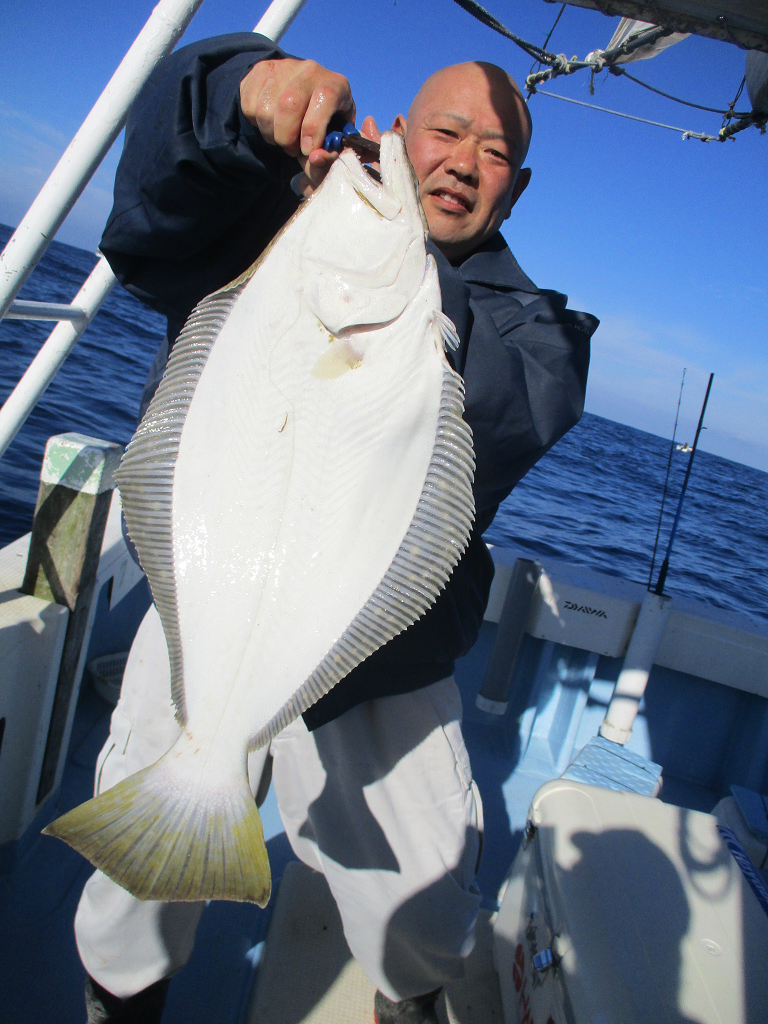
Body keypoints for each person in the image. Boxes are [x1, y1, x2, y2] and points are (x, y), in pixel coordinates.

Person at [75, 32, 597, 1024]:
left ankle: (405, 1002)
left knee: (424, 906)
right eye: (444, 132)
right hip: (212, 607)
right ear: (397, 135)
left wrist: (380, 241)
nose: (461, 161)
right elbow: (149, 218)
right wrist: (236, 96)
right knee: (134, 888)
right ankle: (120, 1001)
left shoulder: (532, 331)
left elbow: (505, 409)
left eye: (492, 153)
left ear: (514, 191)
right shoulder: (271, 232)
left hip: (386, 657)